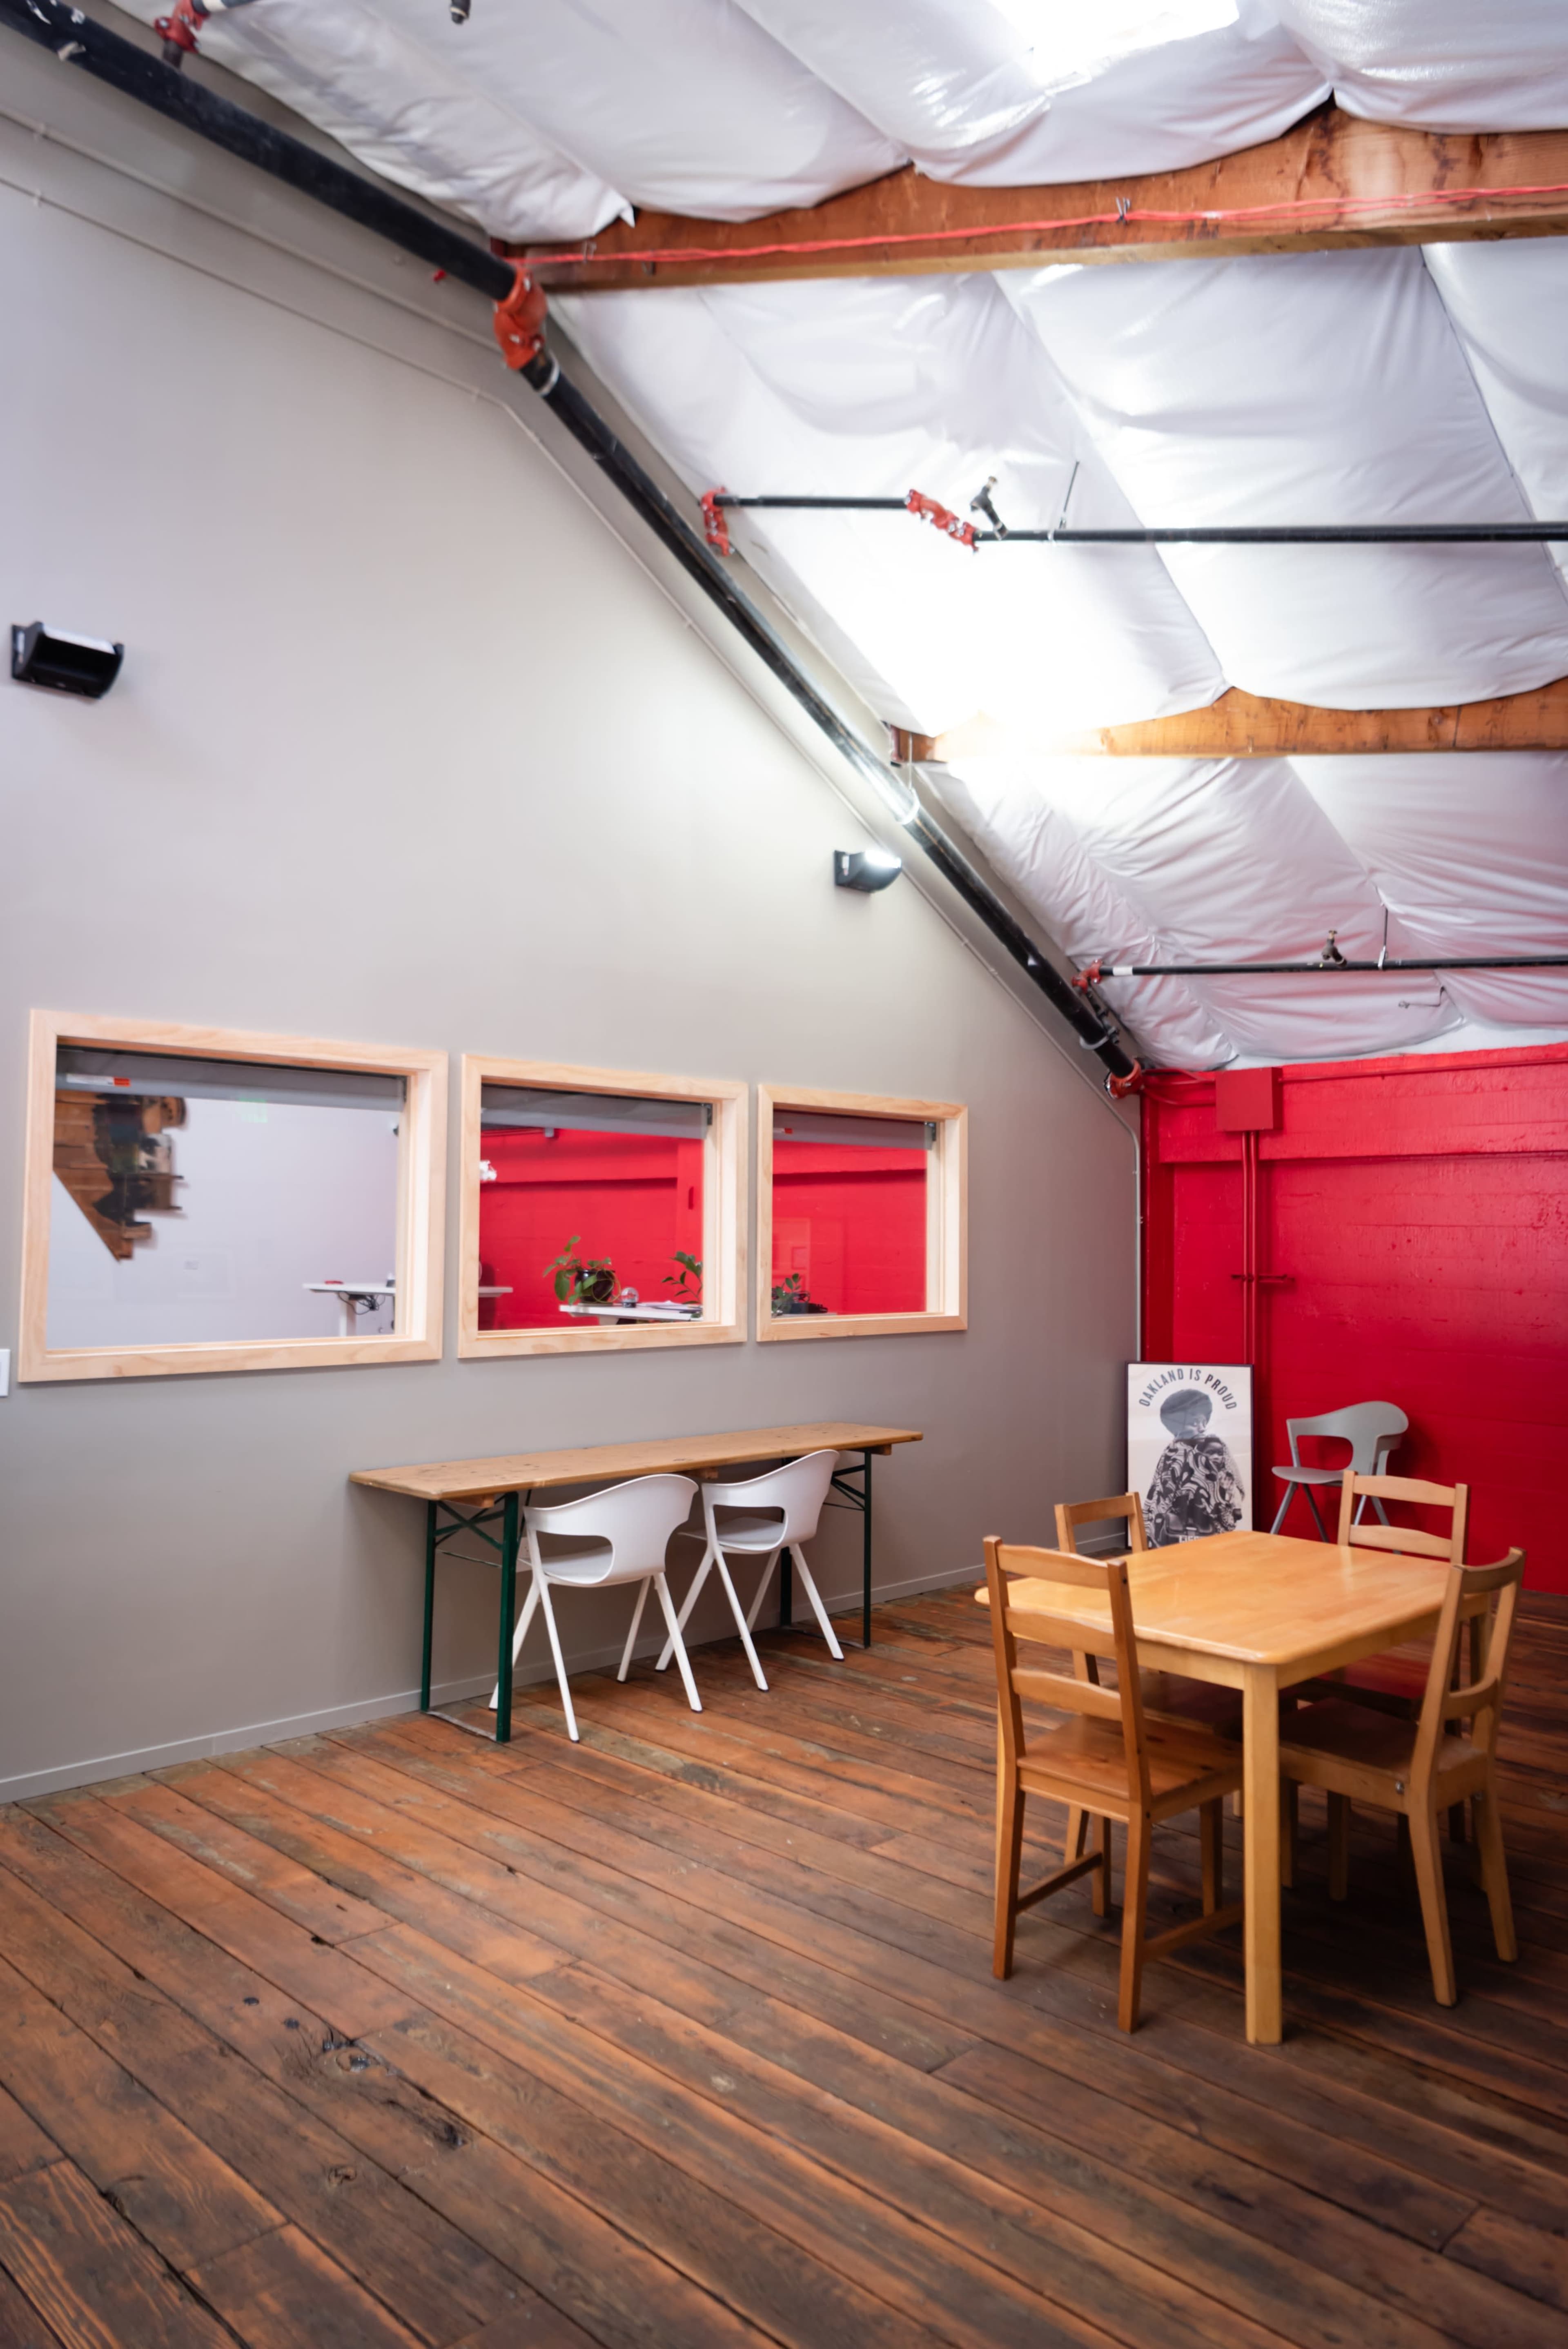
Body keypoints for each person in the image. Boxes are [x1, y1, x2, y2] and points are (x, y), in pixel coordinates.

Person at [1144, 1387, 1246, 1545]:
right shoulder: (1172, 1453)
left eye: (1204, 1422)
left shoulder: (1216, 1445)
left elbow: (1233, 1483)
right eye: (1195, 1423)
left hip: (1212, 1531)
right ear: (1177, 1425)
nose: (1202, 1428)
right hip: (1173, 1535)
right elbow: (1159, 1496)